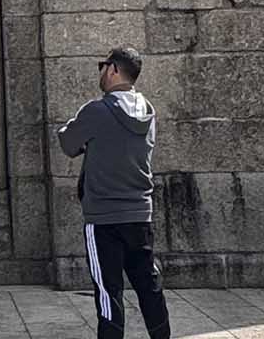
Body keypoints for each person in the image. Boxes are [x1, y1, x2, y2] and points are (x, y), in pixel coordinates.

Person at [57, 48, 171, 339]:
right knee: (149, 284)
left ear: (112, 70)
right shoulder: (148, 110)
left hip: (103, 217)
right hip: (139, 213)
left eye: (102, 65)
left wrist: (87, 141)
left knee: (108, 292)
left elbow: (68, 142)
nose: (100, 71)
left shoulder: (96, 110)